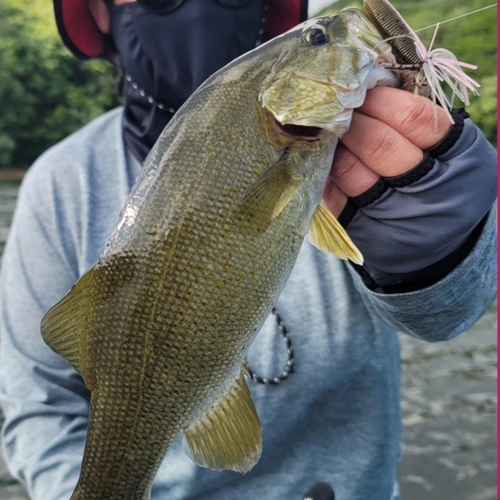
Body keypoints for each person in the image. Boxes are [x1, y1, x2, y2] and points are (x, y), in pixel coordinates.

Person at [0, 0, 496, 499]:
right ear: (101, 12)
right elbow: (38, 407)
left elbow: (445, 318)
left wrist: (441, 257)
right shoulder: (59, 184)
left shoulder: (352, 140)